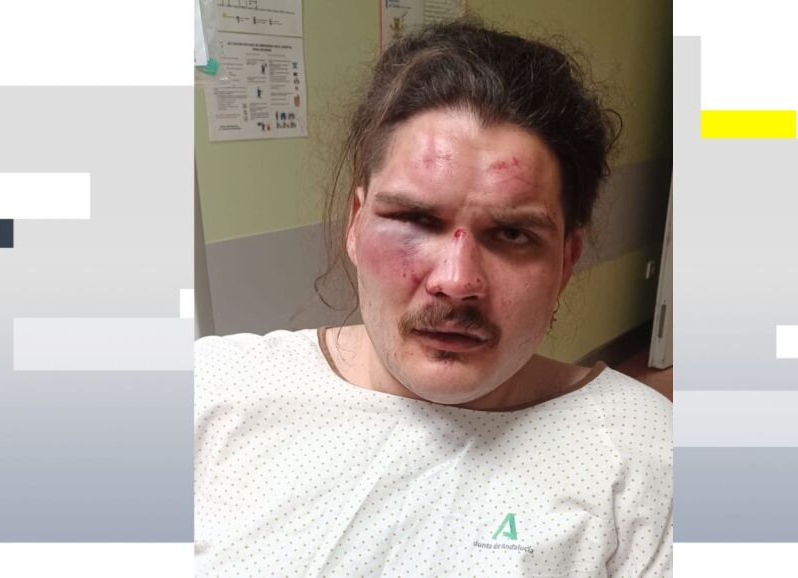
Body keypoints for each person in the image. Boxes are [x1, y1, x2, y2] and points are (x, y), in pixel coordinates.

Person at [195, 20, 672, 577]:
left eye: (512, 233)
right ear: (355, 224)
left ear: (566, 260)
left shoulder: (642, 454)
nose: (456, 280)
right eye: (415, 219)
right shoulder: (212, 391)